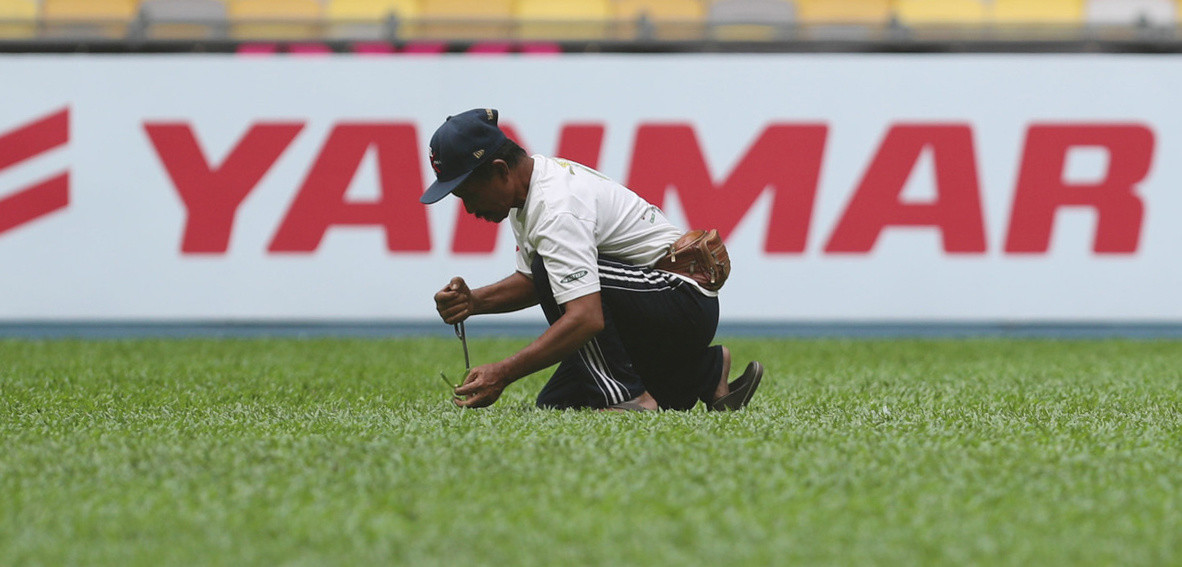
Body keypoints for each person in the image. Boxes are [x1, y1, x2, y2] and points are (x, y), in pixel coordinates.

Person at [423, 108, 763, 411]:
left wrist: (503, 373)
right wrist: (473, 302)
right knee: (558, 403)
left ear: (500, 171)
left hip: (680, 300)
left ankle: (628, 398)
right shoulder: (529, 190)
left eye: (468, 193)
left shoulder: (557, 208)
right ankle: (704, 370)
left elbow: (585, 317)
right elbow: (534, 284)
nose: (468, 208)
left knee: (552, 273)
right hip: (661, 304)